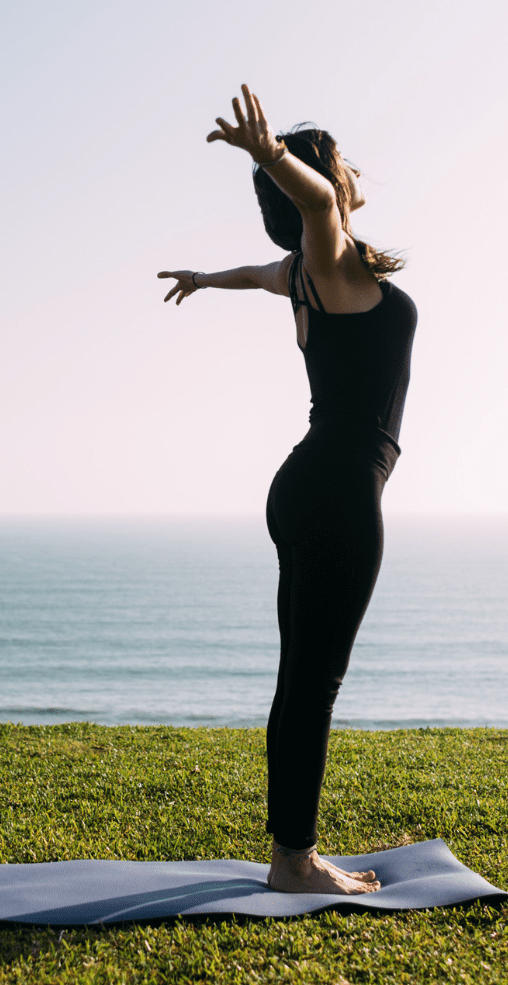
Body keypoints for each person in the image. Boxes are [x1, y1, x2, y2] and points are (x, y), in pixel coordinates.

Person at [158, 86, 416, 895]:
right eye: (341, 164)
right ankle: (294, 861)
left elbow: (255, 272)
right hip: (338, 492)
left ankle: (290, 852)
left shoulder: (305, 274)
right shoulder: (329, 255)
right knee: (314, 683)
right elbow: (316, 207)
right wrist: (273, 157)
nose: (353, 170)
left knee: (298, 679)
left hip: (306, 485)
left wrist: (204, 277)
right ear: (325, 182)